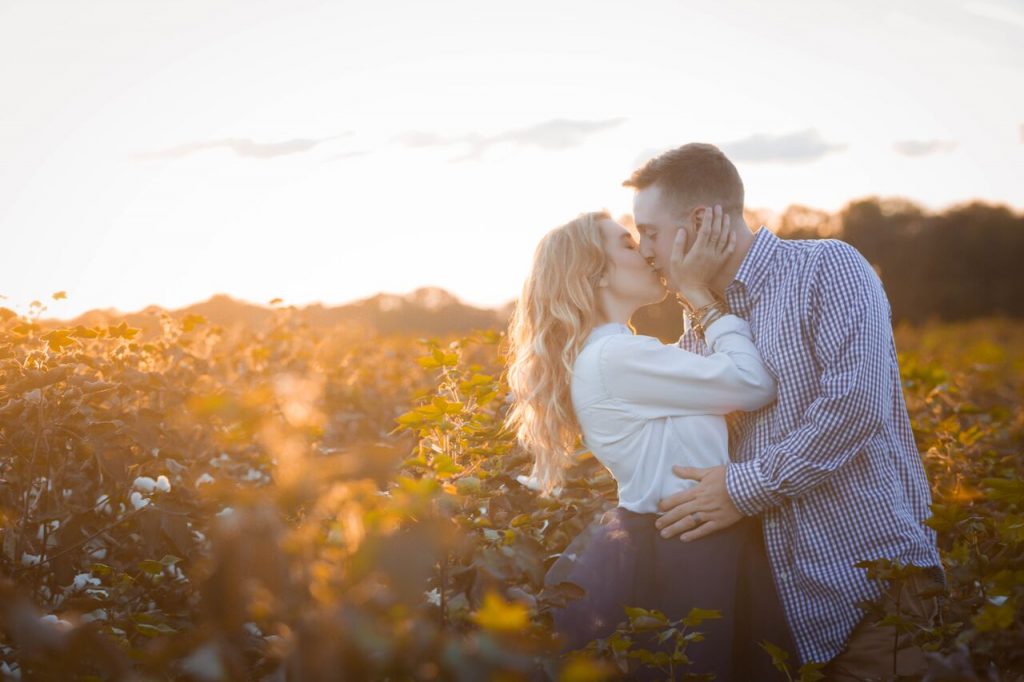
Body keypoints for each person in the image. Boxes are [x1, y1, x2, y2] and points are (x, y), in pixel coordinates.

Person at [626, 142, 945, 680]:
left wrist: (740, 488)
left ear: (701, 220)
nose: (644, 250)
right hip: (776, 607)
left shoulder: (827, 268)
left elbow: (853, 405)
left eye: (650, 232)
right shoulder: (700, 325)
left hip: (873, 591)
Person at [505, 207, 795, 680]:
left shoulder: (618, 353)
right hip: (693, 552)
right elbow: (753, 383)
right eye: (625, 242)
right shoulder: (617, 357)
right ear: (594, 273)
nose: (643, 250)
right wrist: (701, 296)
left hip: (692, 541)